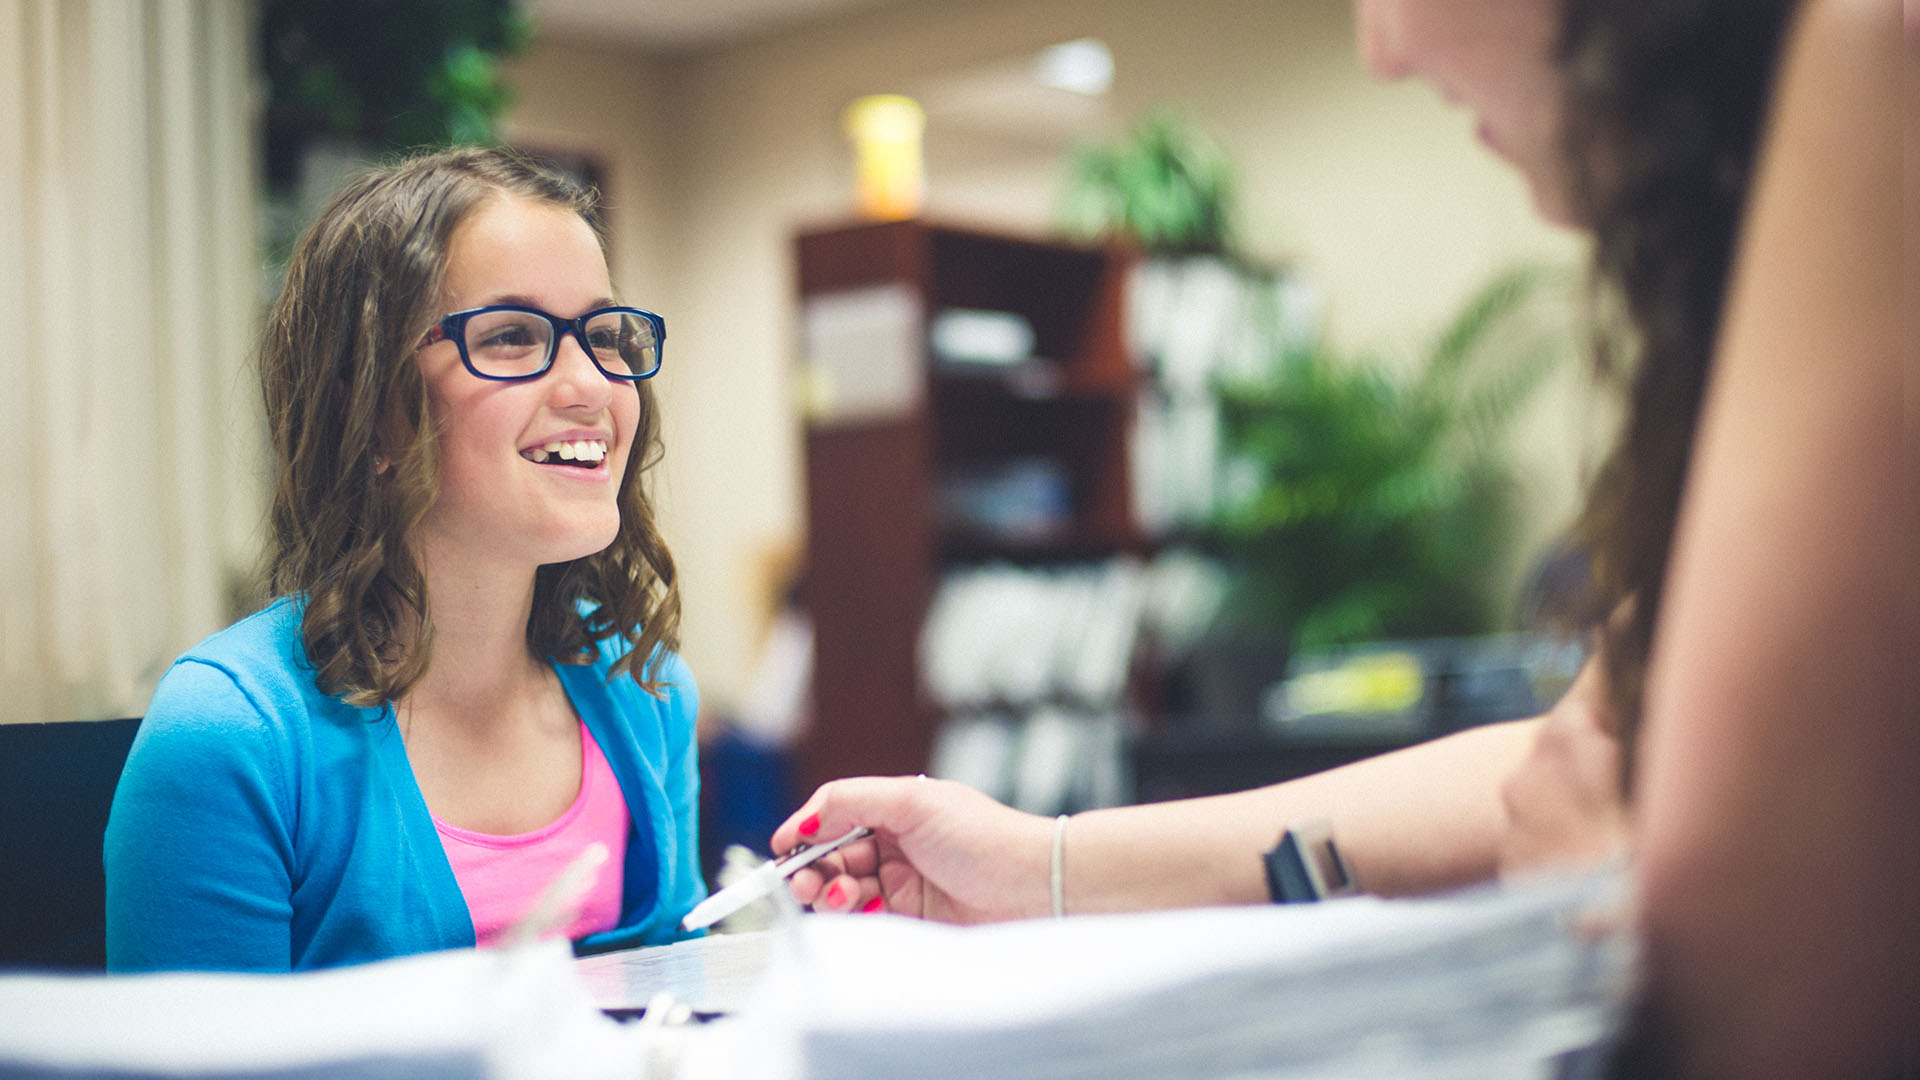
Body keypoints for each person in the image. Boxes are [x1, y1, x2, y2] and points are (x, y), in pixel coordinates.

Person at [773, 0, 1914, 1075]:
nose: (1382, 46)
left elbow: (1763, 970)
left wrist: (1603, 928)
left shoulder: (1880, 53)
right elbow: (1570, 756)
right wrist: (1042, 865)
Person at [105, 147, 706, 972]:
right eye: (510, 337)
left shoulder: (647, 693)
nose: (592, 386)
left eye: (605, 336)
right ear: (373, 409)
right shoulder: (232, 737)